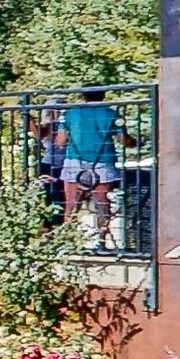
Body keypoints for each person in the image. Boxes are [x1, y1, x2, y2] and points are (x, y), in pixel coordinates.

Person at [58, 89, 121, 252]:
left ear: (83, 96)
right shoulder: (111, 113)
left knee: (71, 206)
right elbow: (123, 140)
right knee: (102, 205)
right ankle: (101, 243)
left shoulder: (70, 114)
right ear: (103, 95)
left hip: (74, 162)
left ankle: (67, 244)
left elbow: (60, 141)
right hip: (103, 161)